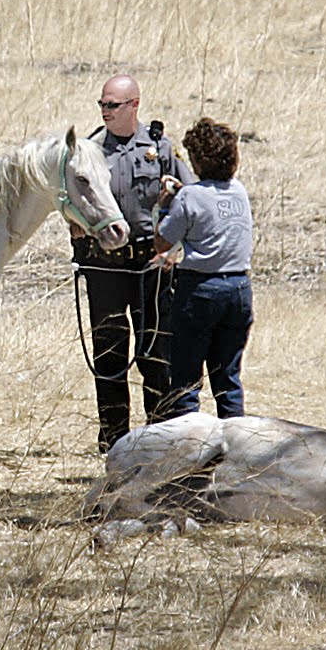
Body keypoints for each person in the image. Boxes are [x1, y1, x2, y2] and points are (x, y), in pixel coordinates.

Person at [74, 73, 196, 452]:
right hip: (105, 265)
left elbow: (192, 199)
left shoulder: (159, 149)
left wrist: (175, 250)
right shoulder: (90, 150)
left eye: (113, 105)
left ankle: (159, 436)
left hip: (150, 265)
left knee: (155, 353)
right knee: (109, 353)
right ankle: (114, 440)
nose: (105, 111)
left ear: (134, 106)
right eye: (102, 104)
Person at [152, 118, 255, 419]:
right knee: (228, 380)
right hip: (238, 289)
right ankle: (237, 447)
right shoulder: (239, 191)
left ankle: (190, 453)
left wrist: (164, 206)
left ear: (197, 159)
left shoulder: (188, 197)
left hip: (200, 290)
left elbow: (162, 242)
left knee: (186, 380)